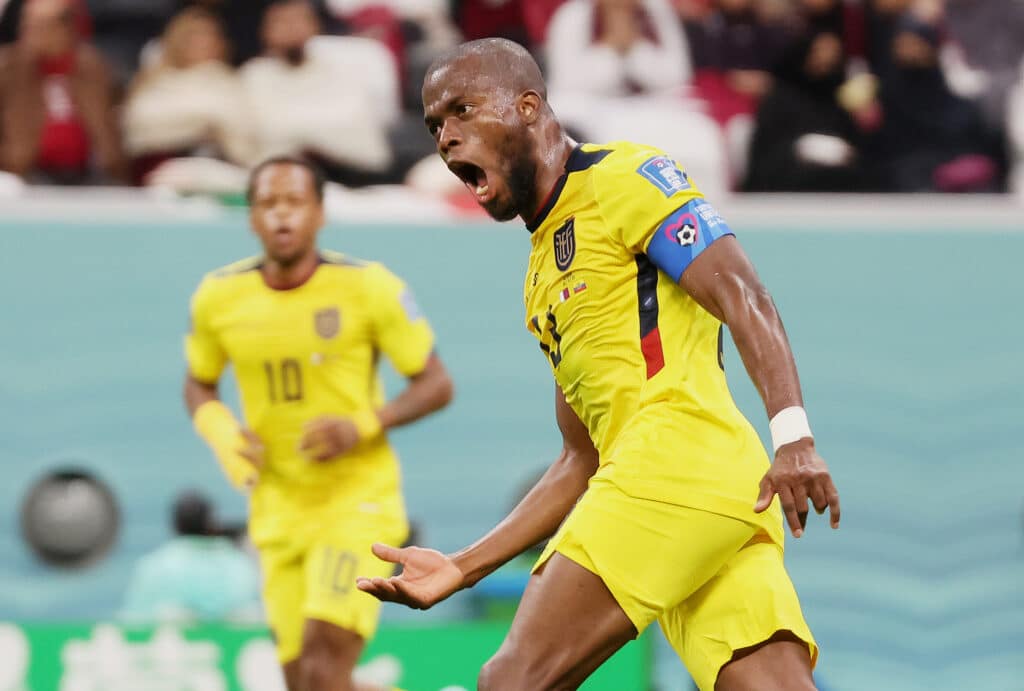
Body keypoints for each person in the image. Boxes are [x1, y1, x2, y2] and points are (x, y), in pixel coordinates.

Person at [357, 39, 841, 691]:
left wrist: (795, 437)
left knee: (514, 680)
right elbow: (580, 459)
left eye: (462, 110)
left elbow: (742, 293)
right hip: (708, 494)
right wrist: (461, 565)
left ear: (527, 106)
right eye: (435, 125)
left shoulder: (626, 177)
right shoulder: (538, 278)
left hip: (677, 464)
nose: (445, 137)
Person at [184, 155, 453, 691]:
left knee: (323, 669)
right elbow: (199, 384)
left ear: (320, 212)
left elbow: (436, 385)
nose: (282, 216)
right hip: (277, 510)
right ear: (252, 218)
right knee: (305, 683)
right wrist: (224, 435)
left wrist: (363, 424)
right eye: (268, 204)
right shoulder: (219, 297)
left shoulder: (368, 287)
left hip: (354, 503)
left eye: (295, 202)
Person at [120, 489, 261, 624]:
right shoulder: (239, 563)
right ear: (211, 523)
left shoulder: (155, 565)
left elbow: (136, 618)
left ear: (175, 525)